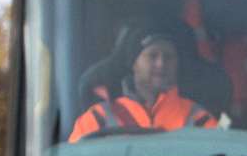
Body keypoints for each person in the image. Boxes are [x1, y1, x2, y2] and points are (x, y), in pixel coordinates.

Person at [68, 28, 217, 142]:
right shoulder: (98, 119)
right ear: (134, 63)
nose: (161, 63)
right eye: (152, 56)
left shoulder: (199, 120)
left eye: (168, 56)